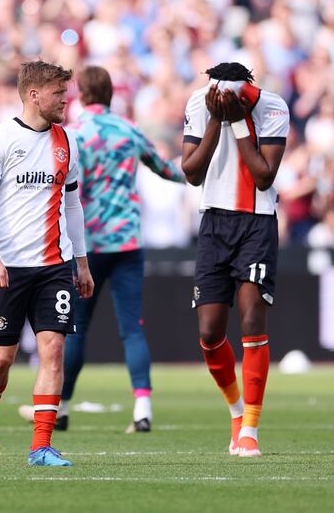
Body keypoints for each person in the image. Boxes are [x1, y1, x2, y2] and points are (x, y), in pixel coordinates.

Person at [0, 60, 94, 467]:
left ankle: (41, 446)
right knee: (0, 359)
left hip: (54, 266)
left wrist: (81, 261)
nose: (66, 100)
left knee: (54, 350)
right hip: (7, 266)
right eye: (59, 93)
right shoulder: (0, 138)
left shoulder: (68, 142)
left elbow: (73, 204)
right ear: (33, 94)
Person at [58, 65, 186, 432]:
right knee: (133, 328)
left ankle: (62, 408)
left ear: (81, 94)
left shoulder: (73, 134)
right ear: (111, 93)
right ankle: (142, 410)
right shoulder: (130, 130)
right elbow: (166, 170)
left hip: (89, 244)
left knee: (76, 328)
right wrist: (195, 172)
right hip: (128, 240)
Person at [181, 62, 289, 457]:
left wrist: (240, 121)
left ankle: (251, 430)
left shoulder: (273, 107)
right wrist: (215, 121)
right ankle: (235, 410)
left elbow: (264, 175)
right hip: (213, 222)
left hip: (257, 223)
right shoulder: (199, 103)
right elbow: (191, 173)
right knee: (210, 331)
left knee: (251, 318)